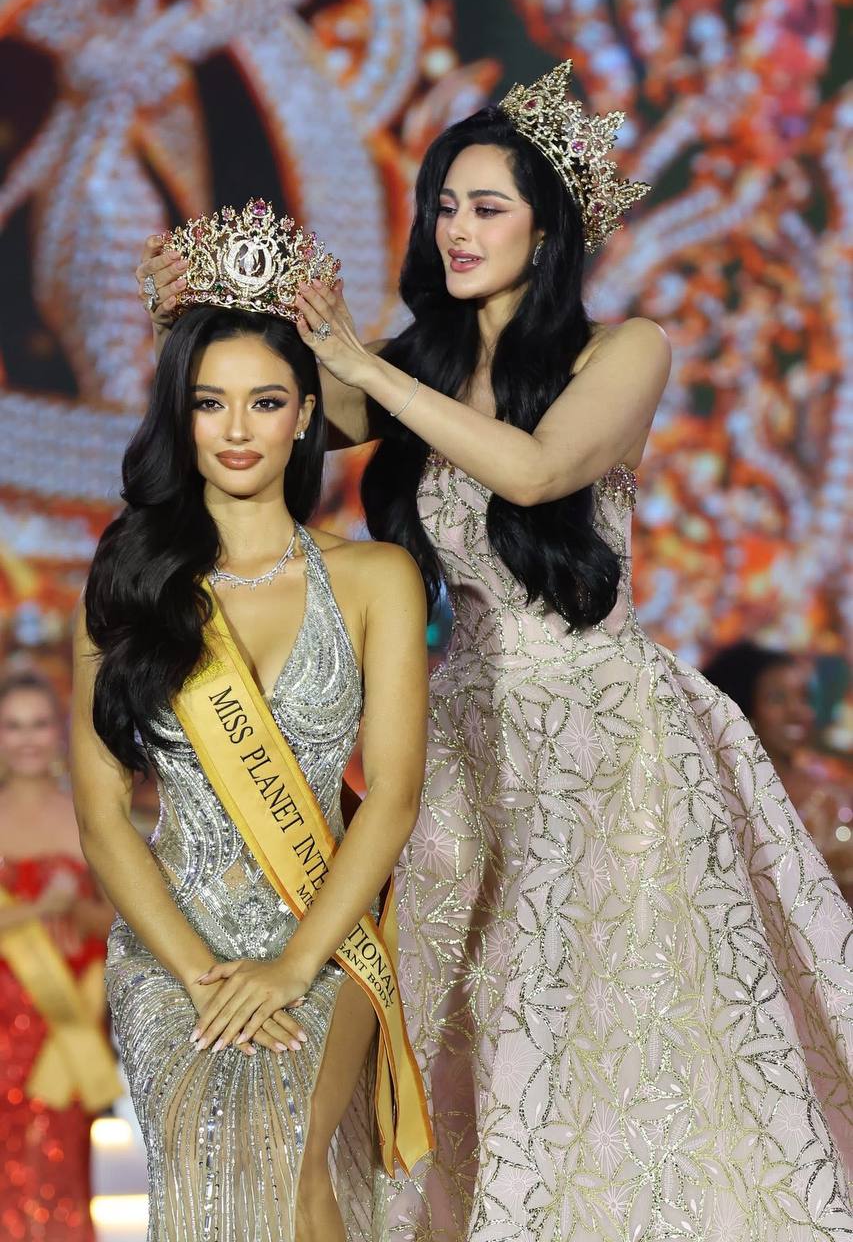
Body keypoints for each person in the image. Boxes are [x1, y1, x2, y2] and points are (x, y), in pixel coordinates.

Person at [137, 64, 853, 1239]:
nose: (456, 229)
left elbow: (534, 469)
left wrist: (367, 365)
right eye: (444, 206)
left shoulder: (625, 347)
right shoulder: (417, 364)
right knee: (457, 1014)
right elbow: (267, 417)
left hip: (606, 740)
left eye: (487, 206)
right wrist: (183, 322)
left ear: (546, 229)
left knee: (609, 1012)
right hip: (459, 733)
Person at [72, 202, 431, 1242]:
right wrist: (198, 974)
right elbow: (102, 814)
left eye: (265, 402)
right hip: (170, 945)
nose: (236, 430)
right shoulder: (126, 582)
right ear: (179, 416)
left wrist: (290, 965)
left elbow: (392, 796)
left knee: (287, 1160)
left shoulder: (376, 578)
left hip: (321, 933)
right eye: (209, 402)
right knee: (202, 1168)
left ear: (306, 415)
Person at [0, 669, 118, 1242]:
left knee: (59, 1164)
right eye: (13, 725)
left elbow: (121, 920)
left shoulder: (89, 815)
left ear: (60, 730)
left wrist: (78, 914)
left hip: (65, 1023)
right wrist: (39, 907)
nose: (27, 737)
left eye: (39, 723)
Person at [704, 640, 853, 903]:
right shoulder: (714, 798)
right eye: (777, 698)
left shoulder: (833, 800)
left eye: (804, 698)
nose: (797, 712)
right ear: (742, 709)